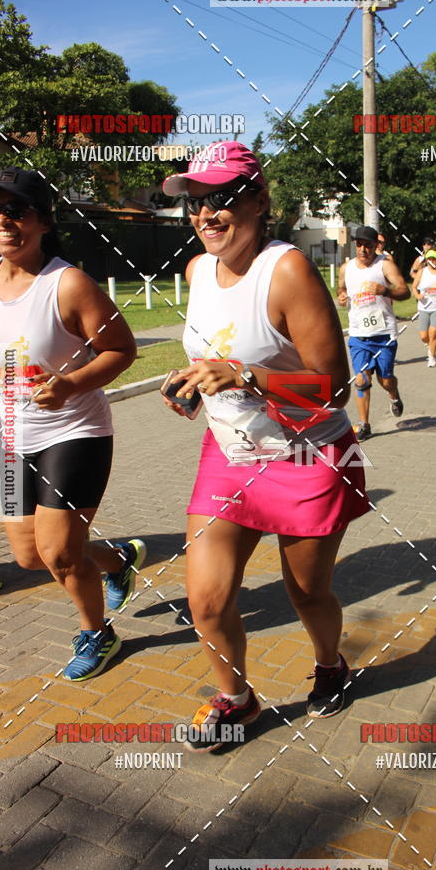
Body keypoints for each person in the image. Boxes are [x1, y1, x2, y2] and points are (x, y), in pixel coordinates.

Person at [161, 142, 370, 750]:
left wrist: (248, 377)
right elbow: (214, 355)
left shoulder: (287, 271)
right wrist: (194, 386)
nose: (205, 214)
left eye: (220, 198)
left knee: (306, 592)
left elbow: (332, 387)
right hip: (229, 454)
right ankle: (238, 700)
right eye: (194, 204)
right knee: (205, 600)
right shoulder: (199, 270)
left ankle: (331, 663)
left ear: (258, 200)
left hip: (310, 456)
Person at [0, 167, 145, 680]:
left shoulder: (67, 283)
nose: (4, 220)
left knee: (58, 551)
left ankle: (98, 635)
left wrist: (68, 384)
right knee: (29, 557)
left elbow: (121, 349)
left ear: (43, 220)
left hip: (73, 431)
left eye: (15, 210)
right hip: (10, 444)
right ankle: (117, 559)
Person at [337, 225, 410, 442]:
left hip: (384, 333)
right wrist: (341, 296)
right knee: (361, 380)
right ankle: (364, 423)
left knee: (385, 379)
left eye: (367, 246)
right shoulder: (346, 268)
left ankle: (394, 395)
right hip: (359, 334)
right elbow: (341, 288)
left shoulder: (385, 266)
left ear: (375, 246)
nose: (363, 250)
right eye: (359, 245)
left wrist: (385, 290)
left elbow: (404, 291)